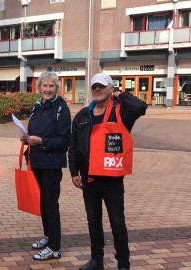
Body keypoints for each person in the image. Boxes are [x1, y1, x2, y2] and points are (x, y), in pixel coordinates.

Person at [69, 73, 147, 270]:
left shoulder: (121, 112)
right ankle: (97, 260)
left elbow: (140, 106)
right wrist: (74, 172)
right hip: (89, 178)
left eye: (102, 86)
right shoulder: (82, 115)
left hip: (112, 179)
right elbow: (73, 146)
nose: (97, 89)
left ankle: (123, 264)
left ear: (110, 88)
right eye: (94, 86)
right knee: (93, 221)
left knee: (117, 222)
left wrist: (119, 94)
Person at [20, 71, 71, 261]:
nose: (48, 89)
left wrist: (42, 141)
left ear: (56, 88)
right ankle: (48, 237)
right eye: (44, 86)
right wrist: (27, 139)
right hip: (36, 161)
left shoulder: (61, 108)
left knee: (51, 204)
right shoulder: (37, 107)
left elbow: (65, 139)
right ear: (39, 87)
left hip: (51, 164)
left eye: (51, 86)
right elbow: (35, 132)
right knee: (42, 203)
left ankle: (55, 248)